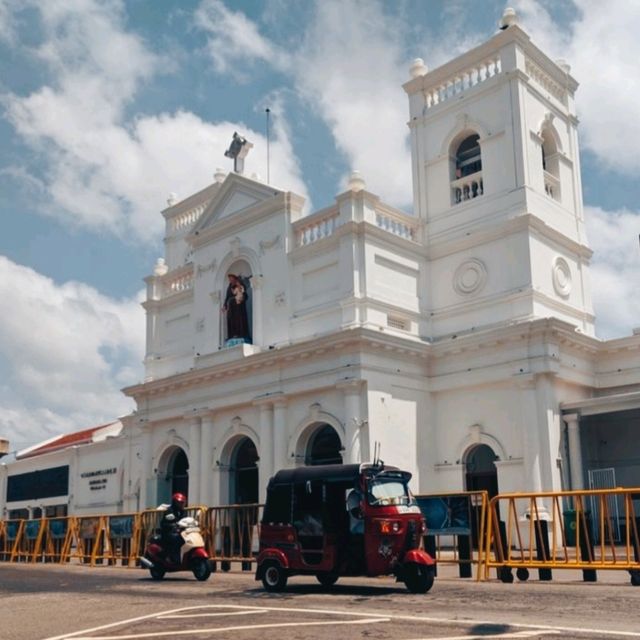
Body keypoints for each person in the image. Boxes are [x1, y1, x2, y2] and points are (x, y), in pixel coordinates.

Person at [160, 492, 187, 564]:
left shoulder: (183, 511)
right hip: (168, 532)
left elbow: (185, 520)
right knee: (177, 539)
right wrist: (172, 525)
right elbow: (164, 523)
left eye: (182, 503)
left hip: (179, 531)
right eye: (179, 503)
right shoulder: (169, 511)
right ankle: (171, 557)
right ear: (174, 502)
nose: (181, 504)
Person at [222, 274, 250, 341]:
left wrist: (241, 297)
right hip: (231, 308)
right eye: (229, 279)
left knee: (238, 320)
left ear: (235, 279)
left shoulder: (239, 285)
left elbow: (244, 294)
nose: (230, 281)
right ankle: (231, 335)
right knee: (231, 321)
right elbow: (227, 297)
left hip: (238, 307)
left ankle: (240, 334)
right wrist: (225, 305)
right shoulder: (229, 287)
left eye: (231, 279)